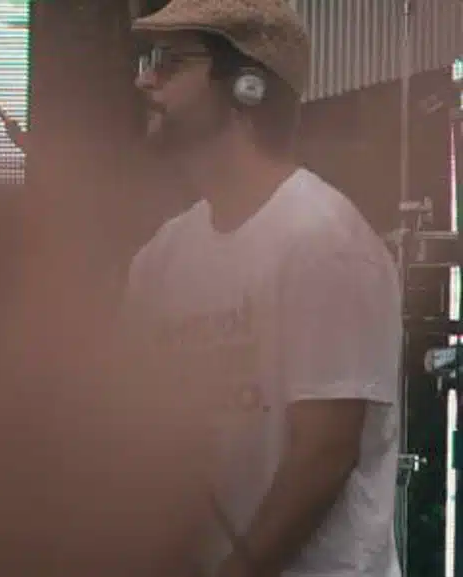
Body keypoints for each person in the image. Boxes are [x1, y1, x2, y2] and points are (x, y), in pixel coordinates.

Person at [121, 1, 403, 577]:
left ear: (247, 87)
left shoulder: (324, 241)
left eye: (170, 61)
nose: (145, 81)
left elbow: (323, 454)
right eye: (148, 61)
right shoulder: (161, 257)